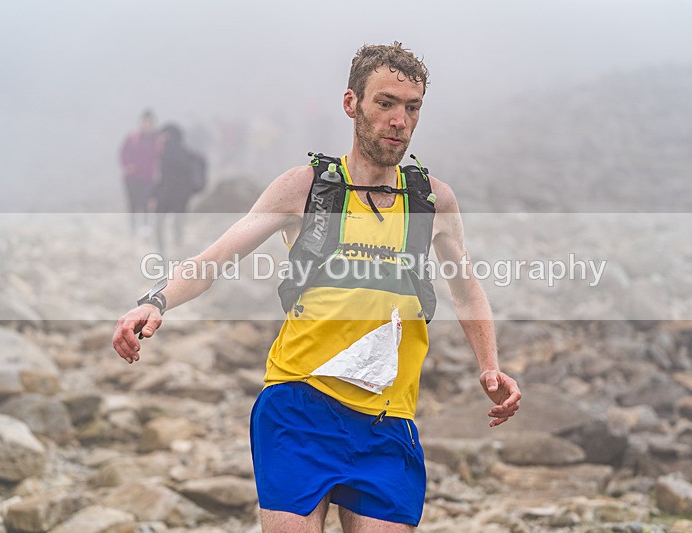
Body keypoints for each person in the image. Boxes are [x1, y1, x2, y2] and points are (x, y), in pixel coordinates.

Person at [112, 42, 521, 532]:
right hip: (298, 409)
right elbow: (218, 257)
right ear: (351, 103)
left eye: (412, 108)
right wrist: (155, 301)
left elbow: (466, 290)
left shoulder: (432, 200)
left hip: (388, 420)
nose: (399, 121)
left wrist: (490, 366)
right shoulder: (305, 187)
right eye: (385, 103)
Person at [154, 123, 206, 256]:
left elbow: (161, 178)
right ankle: (177, 249)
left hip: (166, 195)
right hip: (182, 196)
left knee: (160, 224)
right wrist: (195, 189)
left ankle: (162, 252)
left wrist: (153, 194)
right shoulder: (188, 154)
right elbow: (201, 163)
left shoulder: (166, 155)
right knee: (178, 224)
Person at [119, 109, 159, 235]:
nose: (147, 124)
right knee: (132, 204)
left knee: (147, 204)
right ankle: (132, 229)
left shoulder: (157, 140)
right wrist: (127, 165)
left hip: (149, 178)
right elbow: (123, 153)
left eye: (150, 122)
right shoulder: (132, 138)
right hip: (131, 178)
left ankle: (145, 229)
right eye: (145, 122)